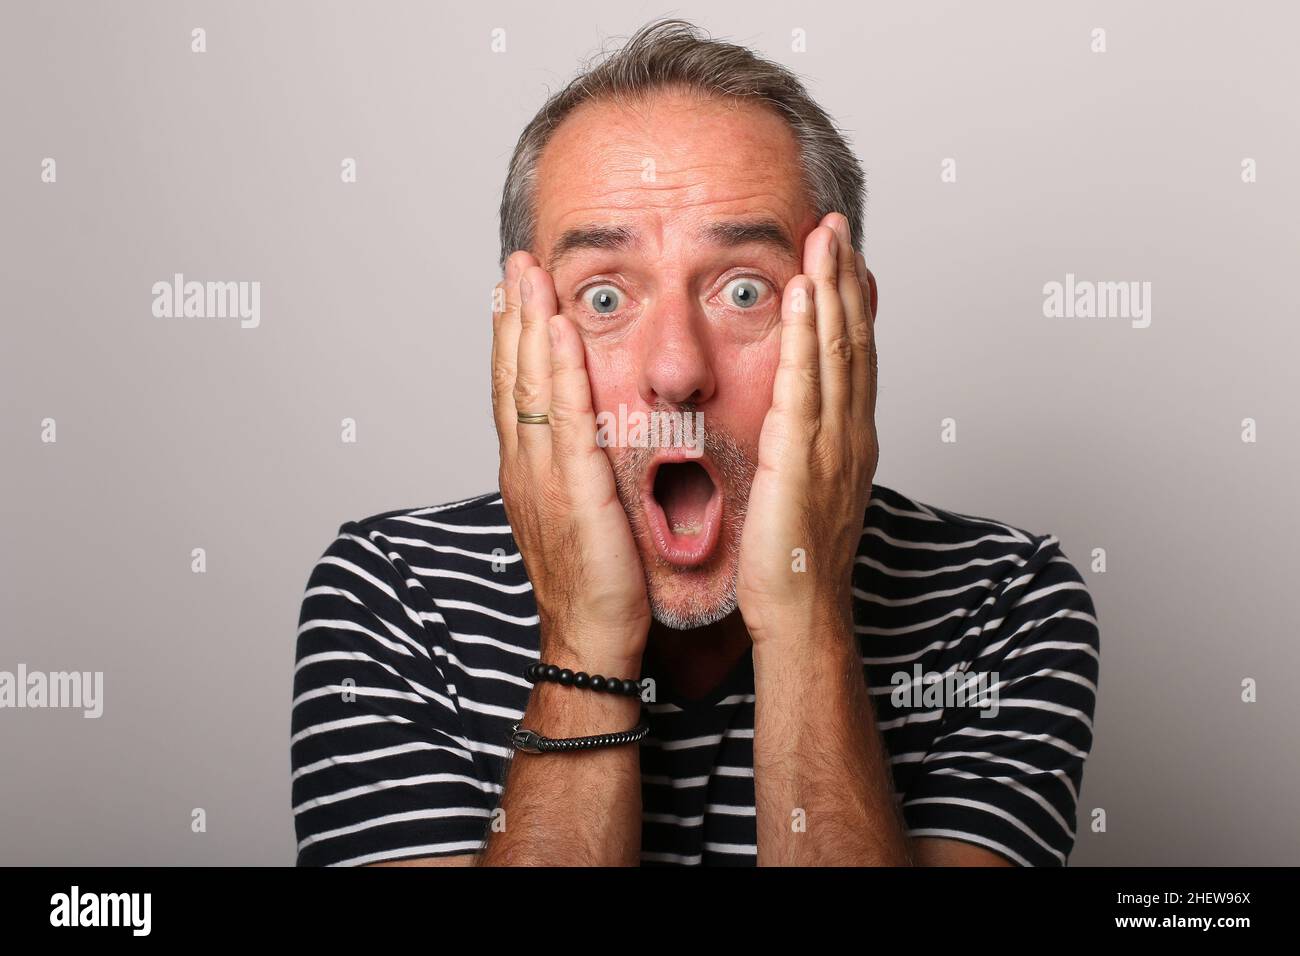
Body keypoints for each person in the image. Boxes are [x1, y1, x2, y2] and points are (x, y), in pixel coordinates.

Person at [291, 18, 1099, 867]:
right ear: (522, 338)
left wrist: (805, 617)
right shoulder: (391, 597)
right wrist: (583, 642)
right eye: (604, 299)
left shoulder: (1006, 603)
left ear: (847, 319)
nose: (676, 371)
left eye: (743, 290)